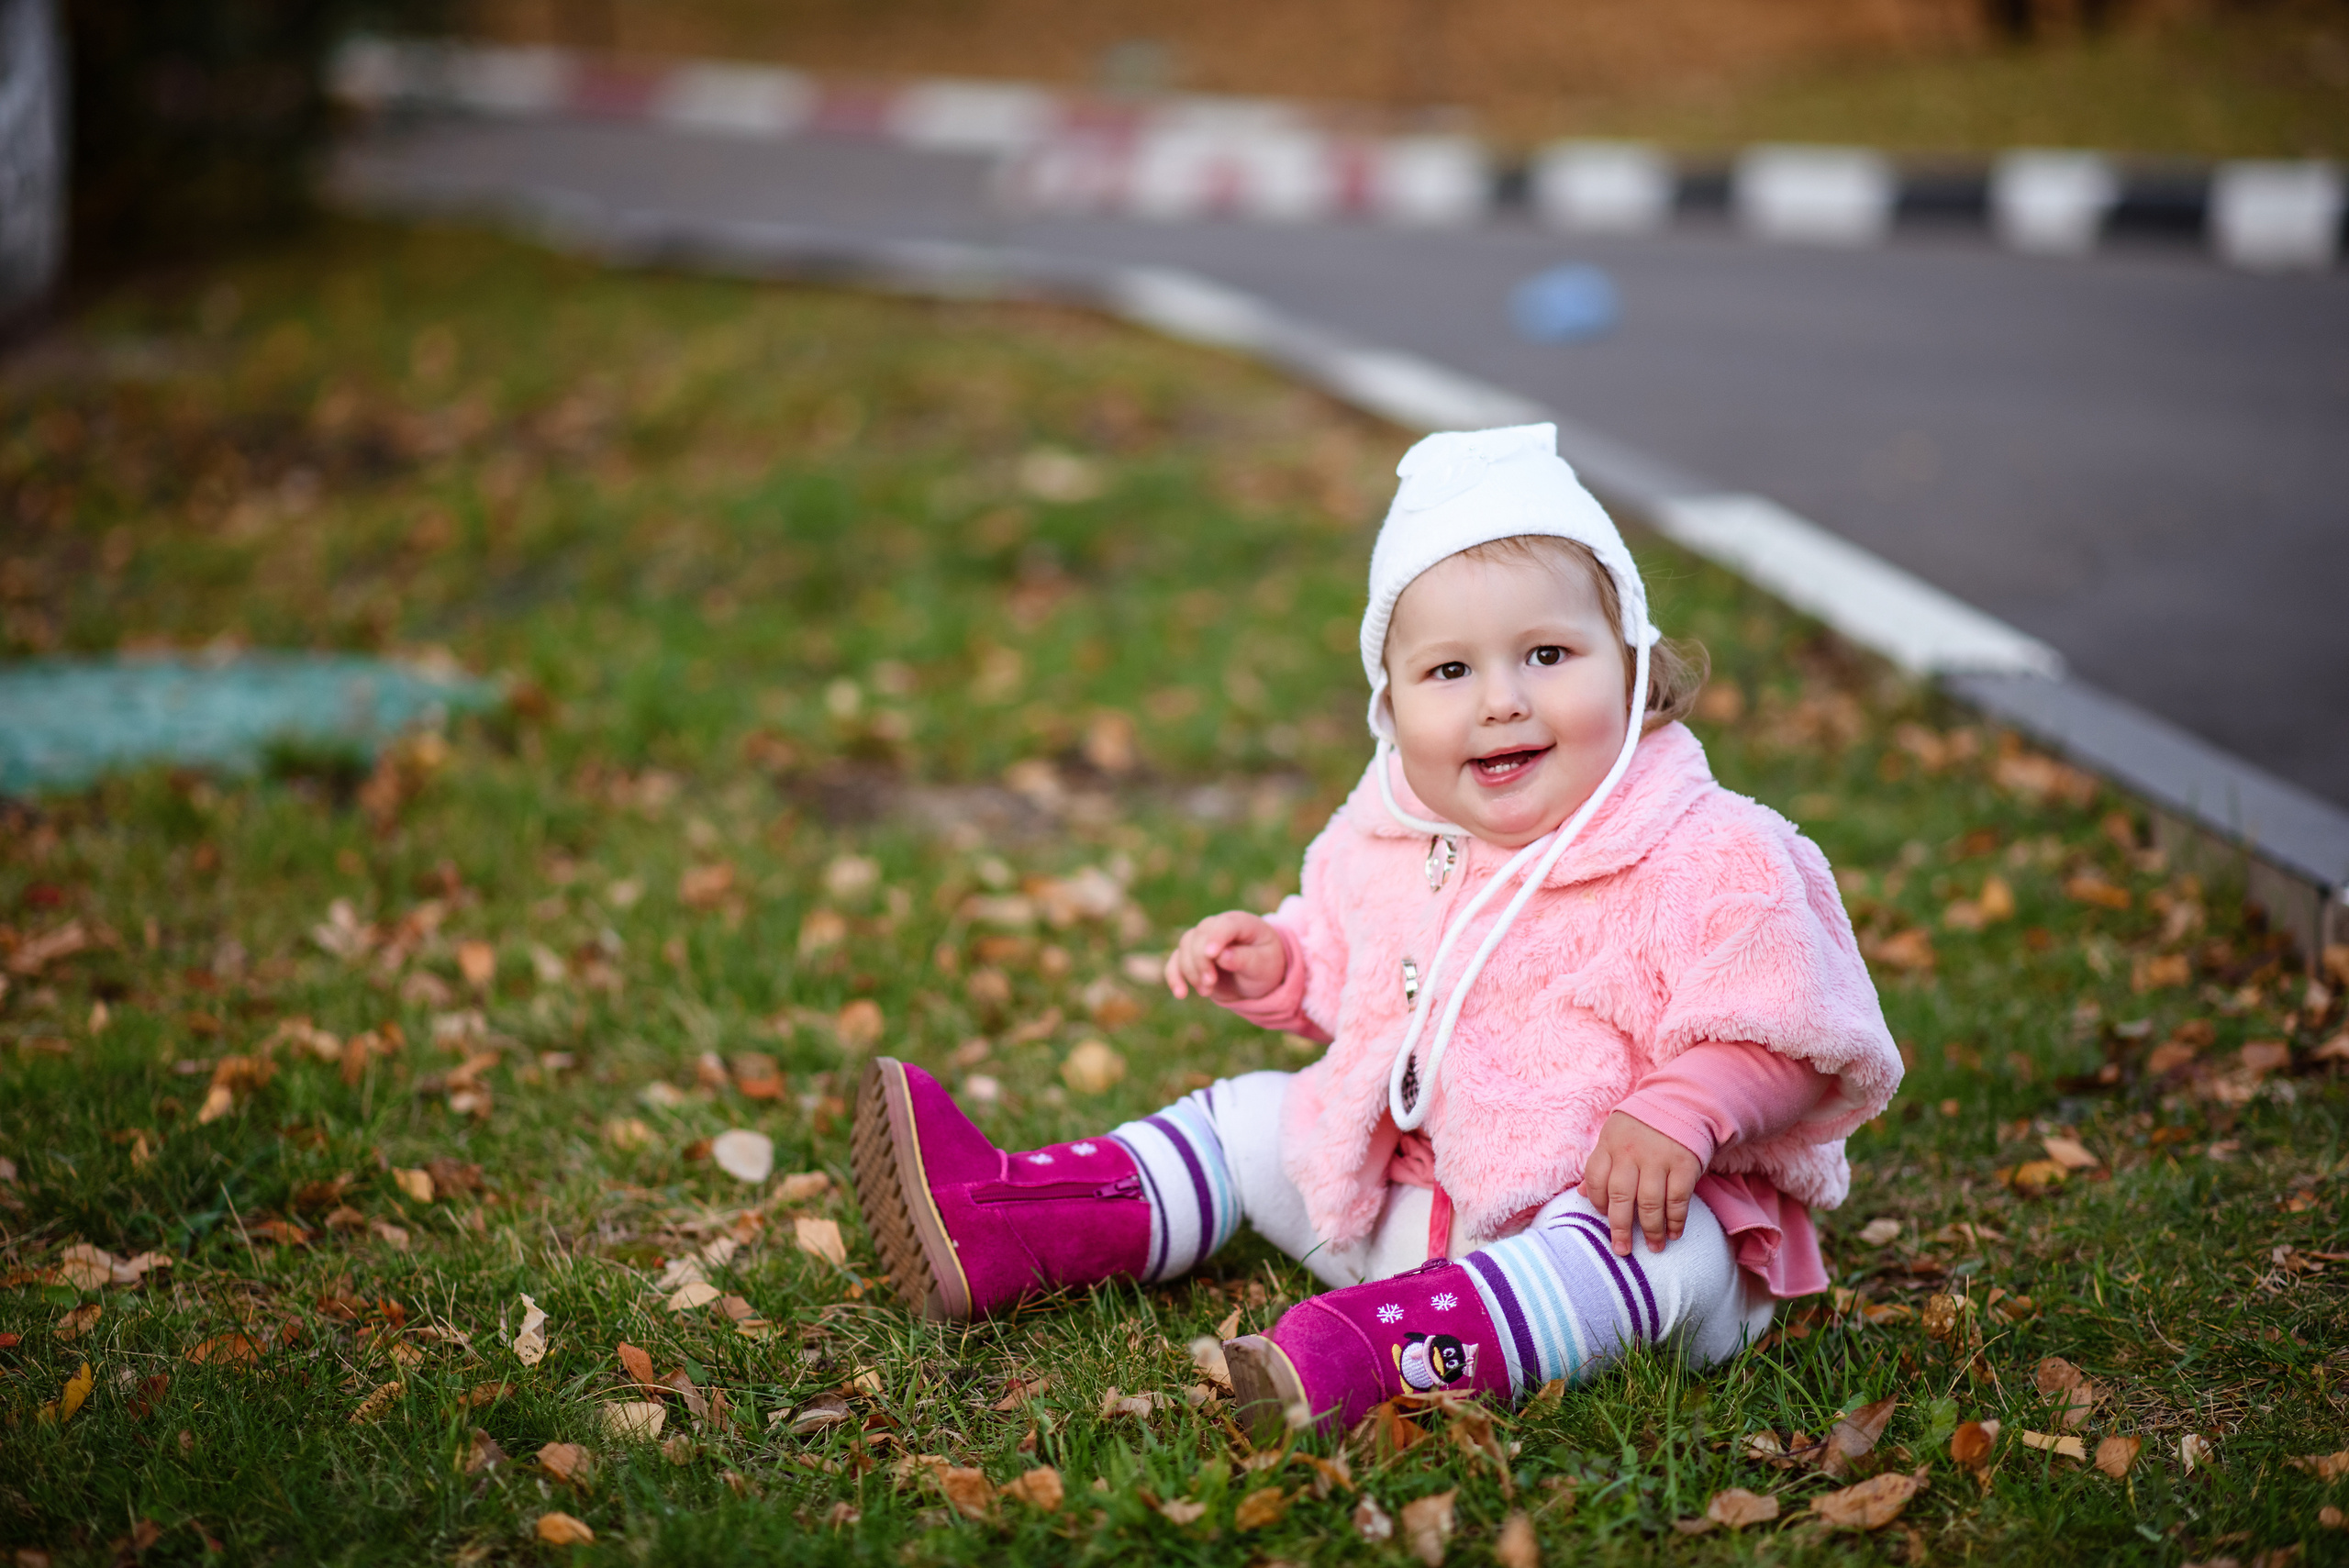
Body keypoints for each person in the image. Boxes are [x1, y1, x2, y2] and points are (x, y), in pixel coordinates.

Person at [850, 423, 1903, 1439]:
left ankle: (1373, 1355)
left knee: (1655, 1252)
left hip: (1620, 1219)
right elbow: (1359, 972)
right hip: (1411, 1201)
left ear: (1632, 666)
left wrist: (1682, 1112)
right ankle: (1007, 1219)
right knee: (1255, 1117)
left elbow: (1793, 1028)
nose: (1500, 700)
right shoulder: (1397, 835)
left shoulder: (1709, 852)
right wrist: (1283, 962)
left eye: (1546, 653)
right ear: (1390, 709)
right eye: (1449, 672)